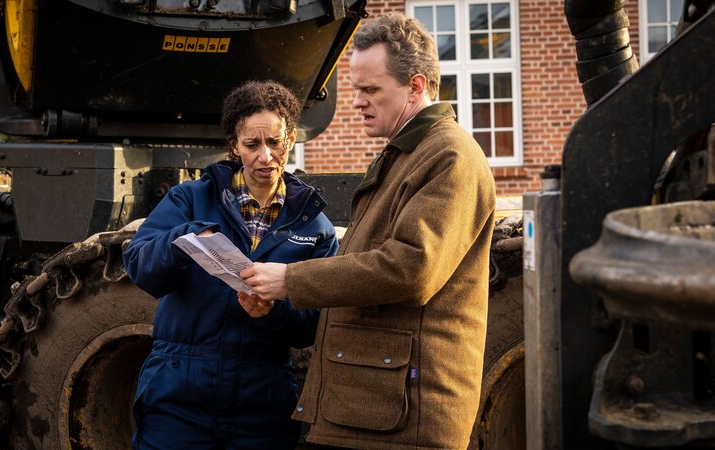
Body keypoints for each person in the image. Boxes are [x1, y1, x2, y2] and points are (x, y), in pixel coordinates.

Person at [239, 12, 496, 450]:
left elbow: (410, 269)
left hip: (398, 421)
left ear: (416, 86)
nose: (357, 101)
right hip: (369, 409)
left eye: (371, 90)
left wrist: (290, 280)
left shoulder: (451, 157)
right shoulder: (407, 154)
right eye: (357, 88)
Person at [123, 80, 339, 450]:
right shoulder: (189, 199)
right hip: (178, 396)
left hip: (262, 405)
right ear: (234, 146)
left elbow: (316, 324)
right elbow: (141, 268)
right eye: (252, 145)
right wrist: (186, 239)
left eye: (274, 143)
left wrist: (271, 313)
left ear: (289, 140)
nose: (265, 157)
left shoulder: (314, 227)